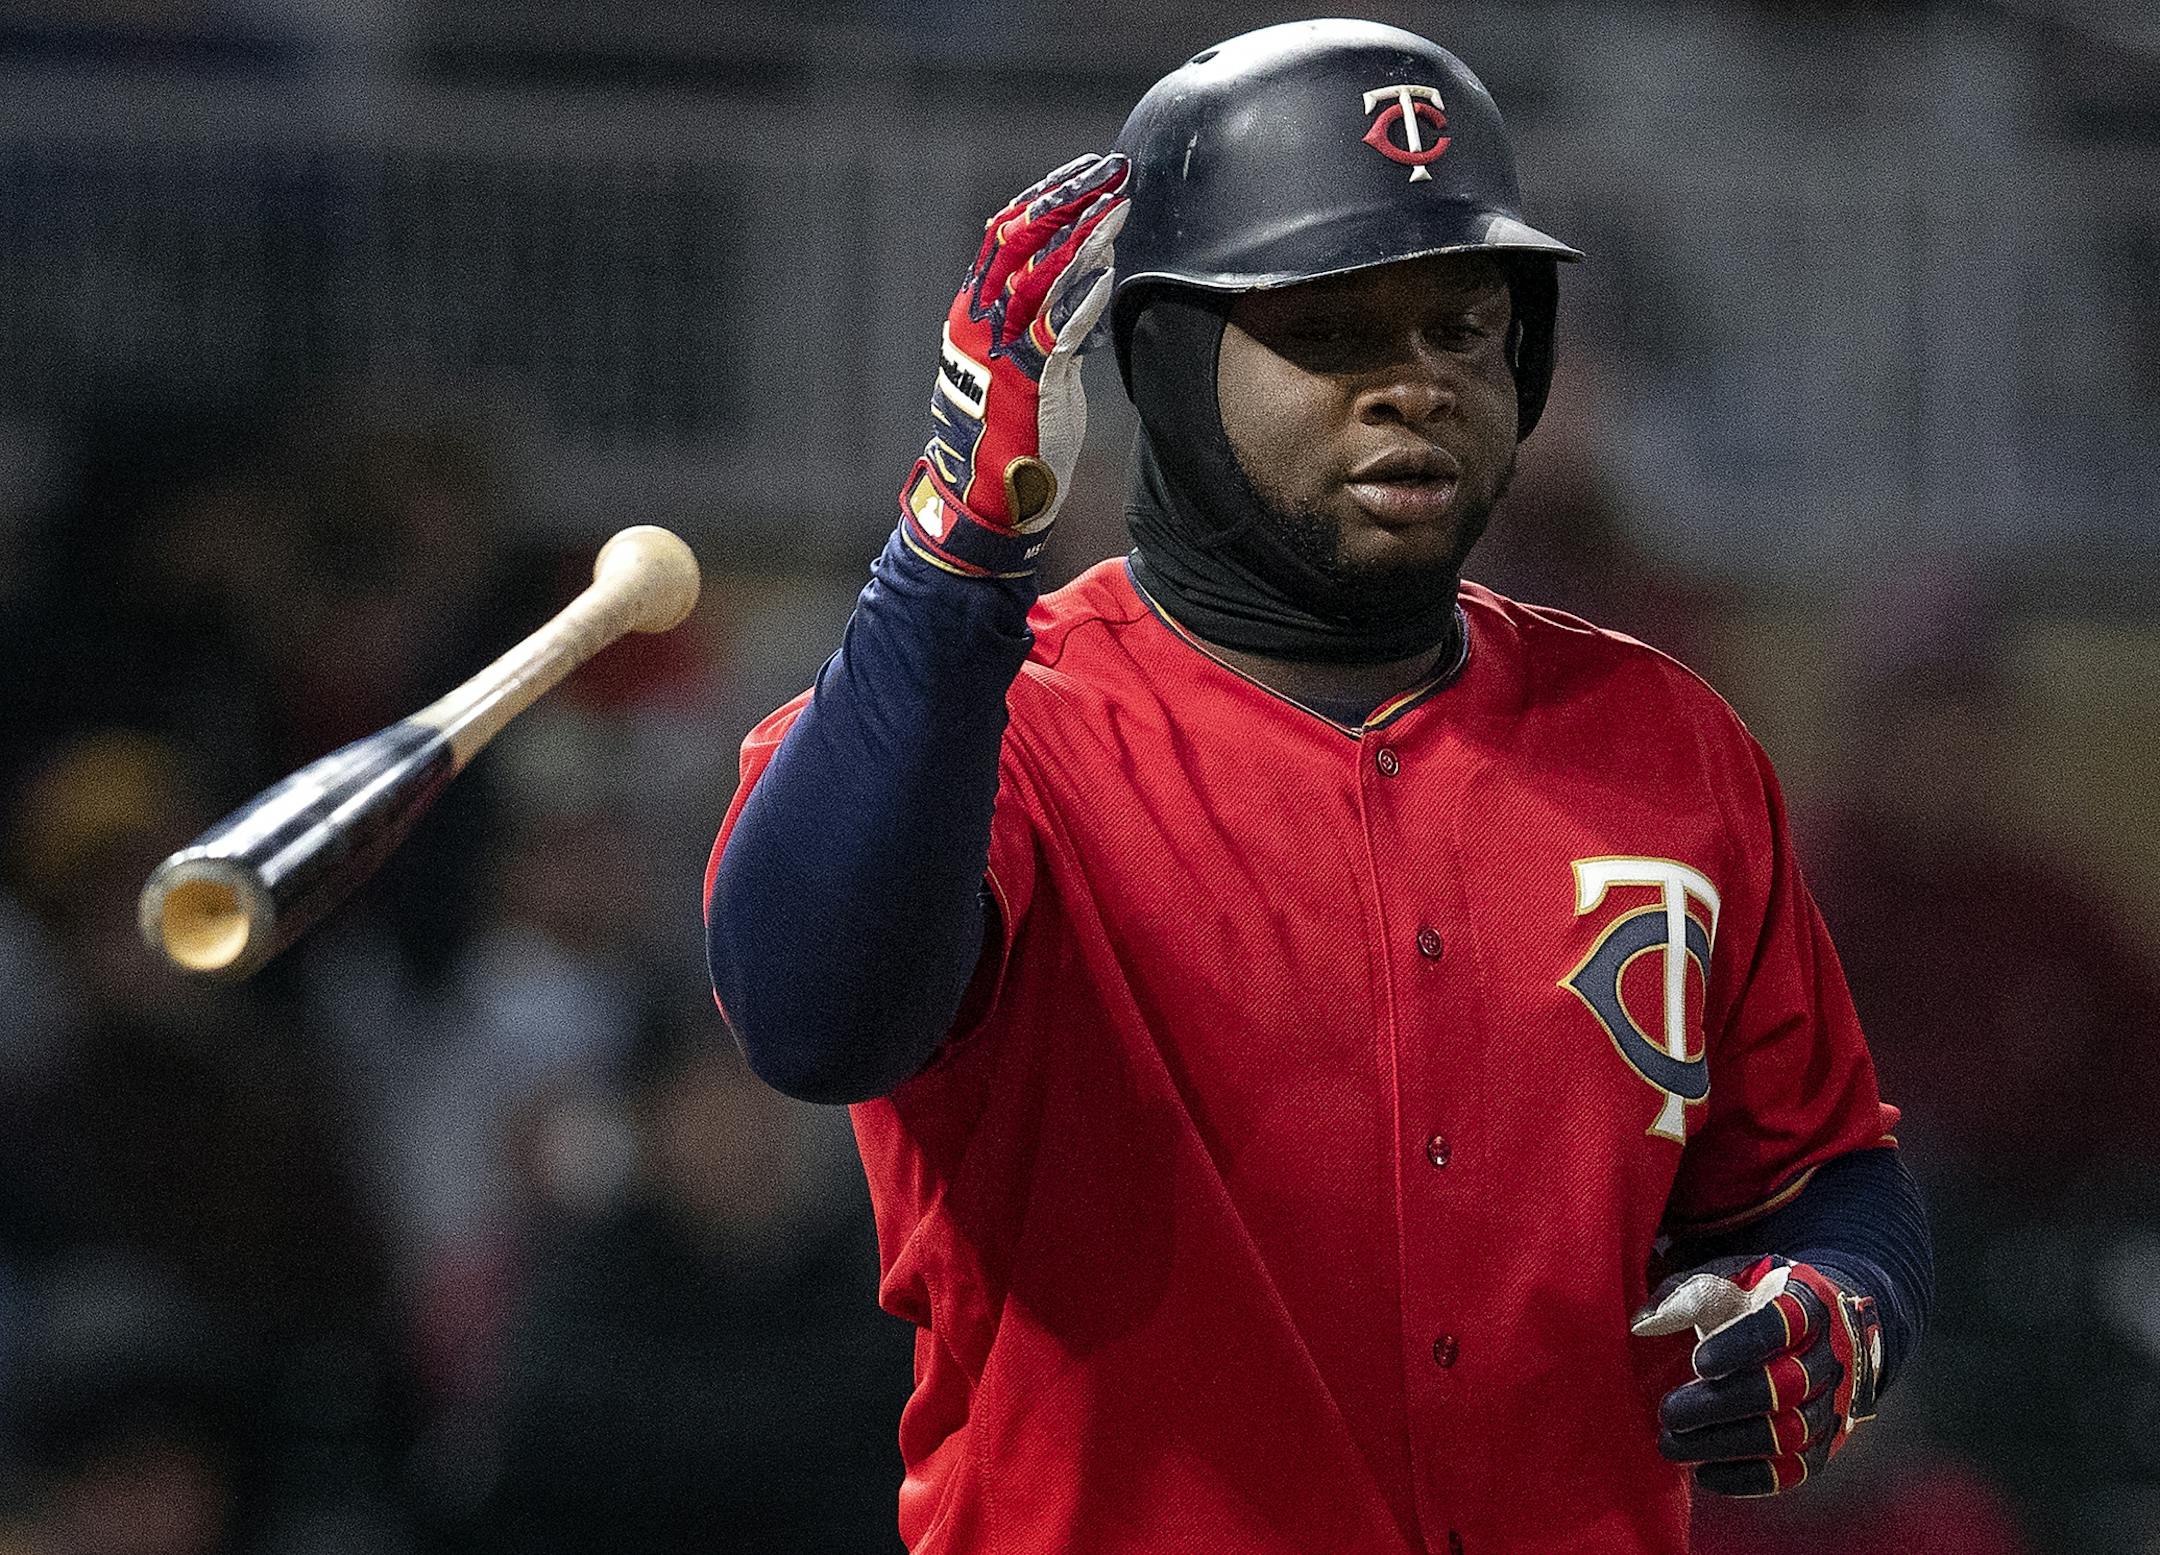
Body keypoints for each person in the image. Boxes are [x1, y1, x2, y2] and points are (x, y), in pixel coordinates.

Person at [704, 21, 1933, 1555]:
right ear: (1163, 357)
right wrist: (951, 566)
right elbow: (812, 1017)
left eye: (1461, 329)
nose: (1415, 386)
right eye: (1335, 331)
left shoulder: (1663, 741)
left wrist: (1838, 1301)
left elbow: (1822, 1174)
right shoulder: (995, 728)